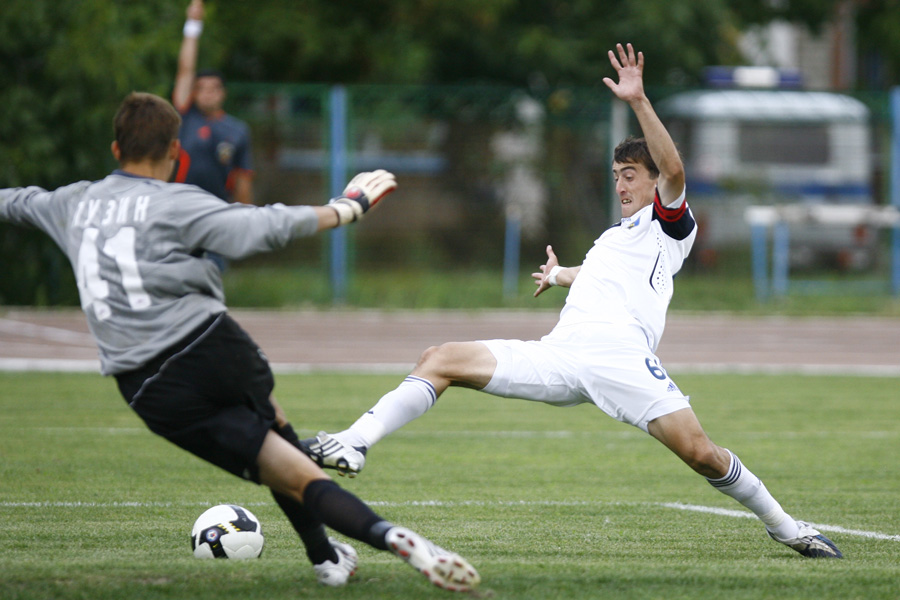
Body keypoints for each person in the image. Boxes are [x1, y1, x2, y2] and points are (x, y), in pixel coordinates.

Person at [302, 44, 843, 561]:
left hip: (621, 357)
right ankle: (353, 442)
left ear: (654, 182)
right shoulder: (617, 237)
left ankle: (787, 527)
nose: (621, 185)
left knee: (702, 454)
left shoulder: (668, 225)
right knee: (439, 358)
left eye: (630, 176)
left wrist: (638, 100)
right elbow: (603, 275)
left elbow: (675, 171)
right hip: (562, 354)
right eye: (616, 176)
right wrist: (561, 275)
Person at [0, 92, 480, 592]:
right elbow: (262, 224)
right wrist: (346, 208)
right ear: (175, 152)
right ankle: (372, 538)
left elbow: (14, 201)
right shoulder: (178, 201)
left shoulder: (70, 202)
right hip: (210, 345)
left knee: (284, 469)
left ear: (116, 149)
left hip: (144, 384)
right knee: (285, 449)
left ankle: (339, 553)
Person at [172, 0, 253, 206]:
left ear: (223, 93)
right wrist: (193, 25)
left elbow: (243, 180)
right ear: (193, 93)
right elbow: (185, 70)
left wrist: (246, 215)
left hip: (217, 209)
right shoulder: (184, 116)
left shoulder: (237, 130)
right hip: (180, 206)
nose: (208, 93)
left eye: (214, 88)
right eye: (201, 88)